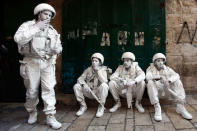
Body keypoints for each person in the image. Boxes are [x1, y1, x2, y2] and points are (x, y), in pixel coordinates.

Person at [14, 3, 62, 129]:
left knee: (49, 89)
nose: (48, 17)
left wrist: (57, 50)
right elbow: (18, 39)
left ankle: (50, 116)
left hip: (47, 63)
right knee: (32, 91)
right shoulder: (27, 25)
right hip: (31, 62)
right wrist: (36, 27)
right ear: (39, 13)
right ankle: (32, 112)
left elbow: (59, 45)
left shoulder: (52, 30)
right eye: (45, 13)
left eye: (50, 15)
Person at [146, 53, 192, 121]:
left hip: (167, 90)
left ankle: (180, 107)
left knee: (177, 81)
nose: (160, 62)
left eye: (162, 60)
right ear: (154, 62)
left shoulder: (167, 69)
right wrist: (159, 77)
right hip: (157, 91)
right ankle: (157, 107)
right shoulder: (150, 69)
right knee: (150, 82)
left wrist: (168, 81)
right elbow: (147, 77)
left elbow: (176, 75)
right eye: (158, 61)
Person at [73, 53, 110, 118]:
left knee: (104, 86)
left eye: (96, 61)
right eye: (93, 61)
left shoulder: (104, 69)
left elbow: (105, 81)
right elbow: (80, 78)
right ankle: (83, 106)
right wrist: (84, 84)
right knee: (76, 86)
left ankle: (101, 107)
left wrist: (98, 72)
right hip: (89, 91)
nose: (94, 62)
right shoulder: (88, 69)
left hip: (98, 93)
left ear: (100, 62)